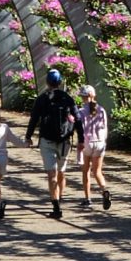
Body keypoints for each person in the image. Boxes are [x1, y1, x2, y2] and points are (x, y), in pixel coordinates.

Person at [25, 61, 81, 219]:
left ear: (47, 82)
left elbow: (34, 119)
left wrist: (28, 136)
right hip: (65, 142)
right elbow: (77, 119)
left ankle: (56, 206)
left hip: (47, 141)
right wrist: (81, 138)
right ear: (60, 82)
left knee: (52, 174)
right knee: (61, 172)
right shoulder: (67, 98)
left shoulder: (42, 99)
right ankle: (60, 198)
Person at [76, 85, 111, 208]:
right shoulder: (102, 110)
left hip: (87, 143)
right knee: (97, 171)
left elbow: (76, 125)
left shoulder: (80, 112)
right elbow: (105, 127)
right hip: (100, 142)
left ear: (83, 97)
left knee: (86, 171)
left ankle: (87, 198)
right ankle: (104, 190)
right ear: (94, 95)